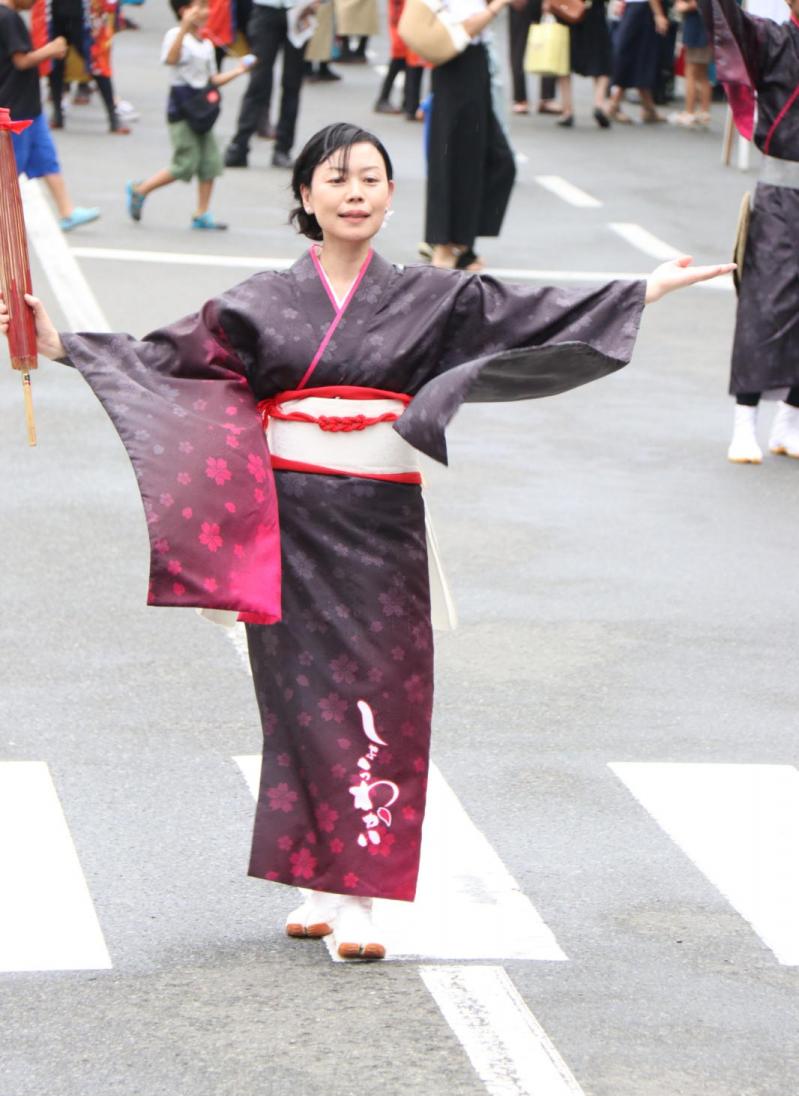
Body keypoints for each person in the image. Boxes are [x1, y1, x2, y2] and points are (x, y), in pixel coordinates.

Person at [0, 123, 733, 959]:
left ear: (389, 195)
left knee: (383, 696)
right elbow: (163, 361)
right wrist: (57, 345)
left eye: (372, 178)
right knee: (298, 702)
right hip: (289, 521)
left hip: (381, 520)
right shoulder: (256, 302)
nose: (356, 192)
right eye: (336, 178)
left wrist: (645, 290)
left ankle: (361, 900)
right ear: (305, 197)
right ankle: (320, 878)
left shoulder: (433, 295)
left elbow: (530, 315)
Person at [702, 0, 799, 461]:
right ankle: (745, 422)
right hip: (781, 195)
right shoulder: (773, 39)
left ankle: (789, 421)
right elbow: (727, 19)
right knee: (766, 303)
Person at [125, 0, 254, 230]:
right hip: (182, 108)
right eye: (199, 7)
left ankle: (202, 213)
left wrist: (239, 70)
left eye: (206, 7)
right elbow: (170, 59)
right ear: (184, 11)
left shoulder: (205, 42)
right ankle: (140, 189)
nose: (205, 12)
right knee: (184, 164)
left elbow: (211, 79)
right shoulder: (176, 35)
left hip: (203, 108)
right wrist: (183, 28)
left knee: (210, 163)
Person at [424, 0, 518, 271]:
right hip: (456, 66)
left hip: (474, 65)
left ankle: (462, 241)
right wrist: (496, 6)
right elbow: (465, 29)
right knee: (453, 157)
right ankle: (444, 244)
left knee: (496, 159)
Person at [0, 0, 100, 230]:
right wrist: (51, 50)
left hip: (28, 105)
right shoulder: (7, 18)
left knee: (47, 159)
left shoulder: (9, 16)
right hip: (16, 108)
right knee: (10, 169)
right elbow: (21, 60)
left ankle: (67, 211)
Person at [224, 0, 318, 169]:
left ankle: (283, 149)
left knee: (292, 83)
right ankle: (240, 145)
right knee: (258, 81)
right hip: (266, 8)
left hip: (299, 9)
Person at [32, 0, 130, 133]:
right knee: (54, 60)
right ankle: (57, 113)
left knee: (96, 60)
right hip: (53, 10)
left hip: (84, 11)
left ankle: (113, 116)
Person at [608, 0, 669, 122]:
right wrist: (658, 14)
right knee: (636, 56)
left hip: (636, 8)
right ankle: (615, 105)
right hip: (641, 9)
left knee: (638, 56)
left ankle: (648, 108)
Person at [555, 0, 613, 127]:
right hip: (593, 10)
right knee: (602, 58)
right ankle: (599, 104)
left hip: (567, 9)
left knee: (565, 59)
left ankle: (567, 110)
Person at [670, 0, 712, 126]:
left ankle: (689, 112)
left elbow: (695, 4)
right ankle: (704, 111)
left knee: (691, 72)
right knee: (702, 74)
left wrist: (683, 6)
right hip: (707, 30)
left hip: (697, 31)